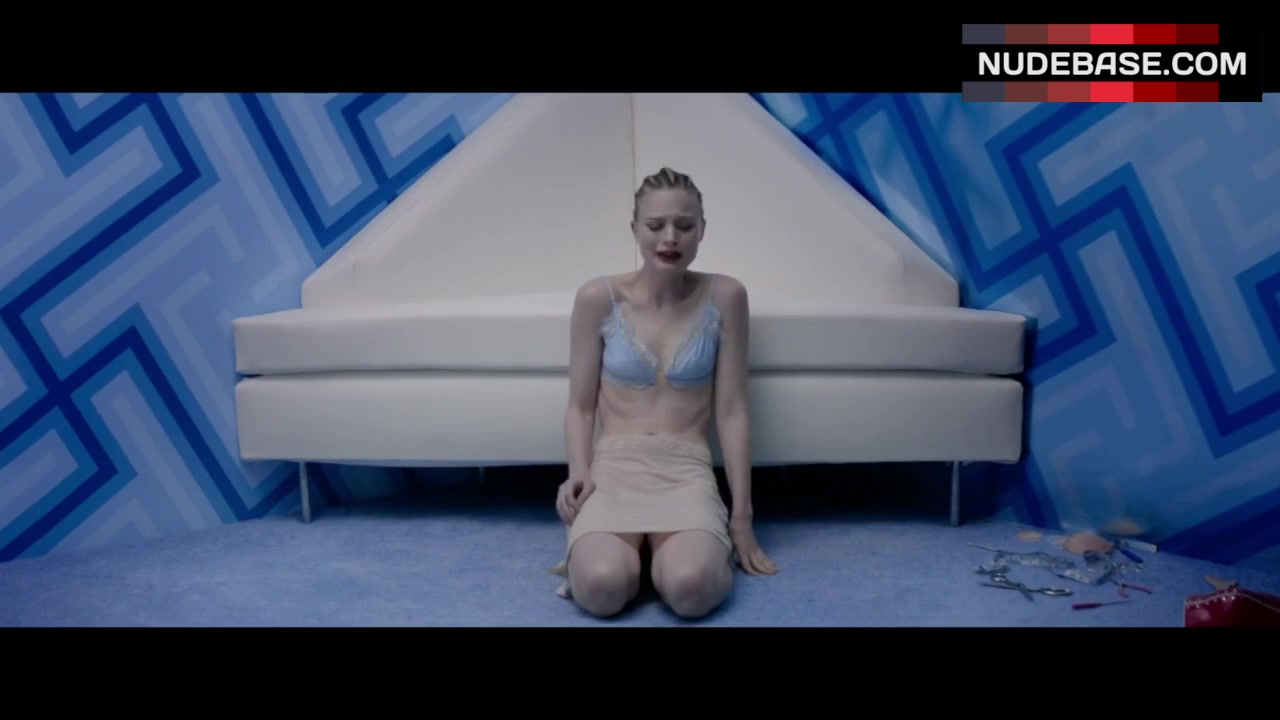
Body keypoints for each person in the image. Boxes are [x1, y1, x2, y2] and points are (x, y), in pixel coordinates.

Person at [552, 166, 777, 619]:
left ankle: (666, 559)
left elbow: (732, 412)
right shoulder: (598, 297)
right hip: (613, 472)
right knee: (601, 588)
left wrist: (742, 518)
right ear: (635, 228)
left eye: (684, 226)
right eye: (655, 225)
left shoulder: (726, 296)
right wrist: (579, 471)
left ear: (702, 230)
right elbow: (579, 406)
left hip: (686, 472)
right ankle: (627, 560)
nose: (669, 238)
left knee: (692, 589)